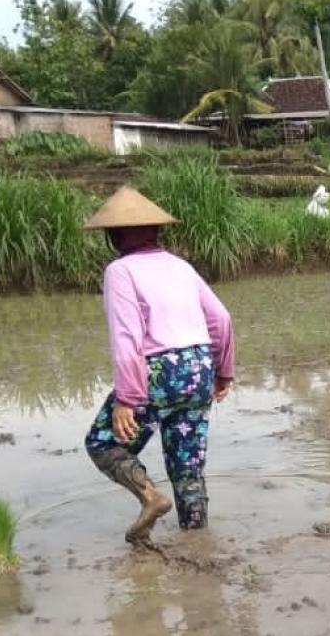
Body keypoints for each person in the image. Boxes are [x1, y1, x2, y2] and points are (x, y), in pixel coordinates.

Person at [82, 187, 235, 544]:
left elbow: (128, 337)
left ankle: (151, 497)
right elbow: (221, 319)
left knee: (102, 443)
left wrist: (127, 398)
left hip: (159, 371)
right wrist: (222, 372)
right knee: (188, 466)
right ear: (155, 230)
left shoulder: (120, 270)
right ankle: (197, 545)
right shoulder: (181, 266)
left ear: (114, 236)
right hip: (199, 367)